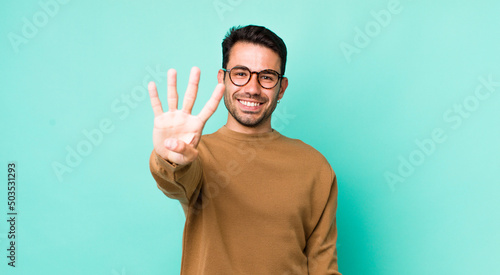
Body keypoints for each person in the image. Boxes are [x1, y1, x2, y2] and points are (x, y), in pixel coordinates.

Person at [148, 25, 341, 275]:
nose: (252, 88)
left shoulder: (314, 166)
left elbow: (322, 264)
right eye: (241, 73)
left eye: (267, 77)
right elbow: (174, 180)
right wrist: (170, 157)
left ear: (281, 88)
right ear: (222, 79)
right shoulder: (196, 155)